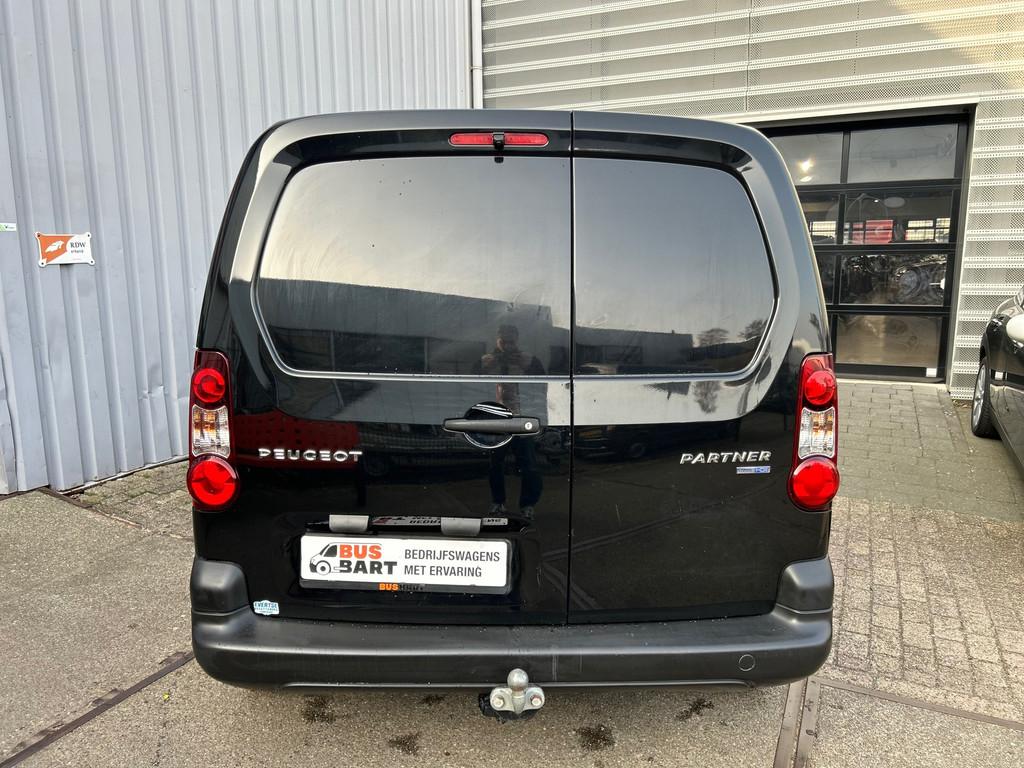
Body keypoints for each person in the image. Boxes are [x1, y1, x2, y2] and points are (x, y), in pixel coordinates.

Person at [477, 325, 544, 520]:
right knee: (495, 465)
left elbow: (543, 386)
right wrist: (484, 368)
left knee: (529, 465)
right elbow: (470, 386)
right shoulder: (485, 361)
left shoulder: (529, 360)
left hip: (522, 420)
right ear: (497, 340)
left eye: (511, 341)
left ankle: (528, 505)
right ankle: (498, 502)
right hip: (495, 421)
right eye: (503, 341)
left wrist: (526, 367)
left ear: (517, 340)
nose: (507, 345)